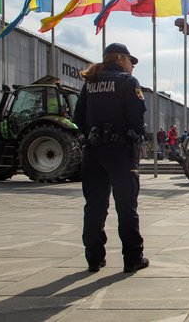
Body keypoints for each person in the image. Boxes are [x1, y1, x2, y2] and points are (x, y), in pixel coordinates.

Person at [73, 43, 149, 273]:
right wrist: (137, 135)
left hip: (93, 152)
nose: (131, 66)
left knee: (95, 206)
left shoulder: (90, 83)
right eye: (129, 60)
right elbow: (136, 116)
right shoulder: (127, 81)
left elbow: (78, 117)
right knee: (126, 206)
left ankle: (94, 258)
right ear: (119, 58)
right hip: (120, 152)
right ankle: (133, 257)